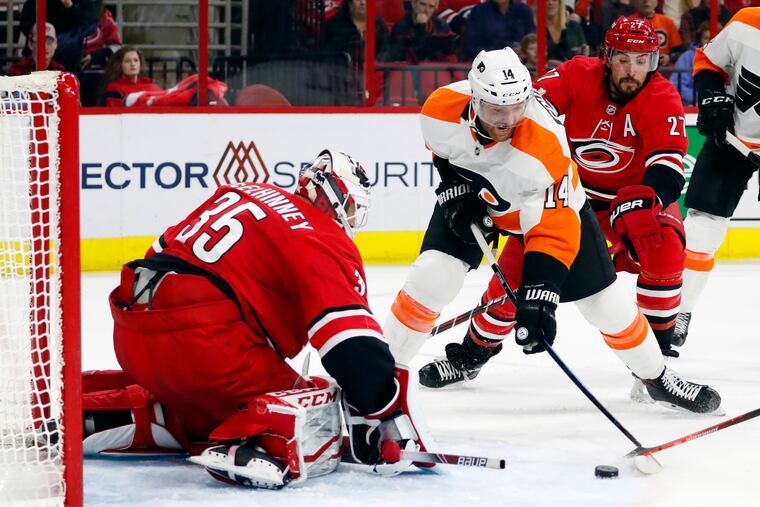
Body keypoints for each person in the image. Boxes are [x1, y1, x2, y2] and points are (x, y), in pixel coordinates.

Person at [384, 47, 721, 415]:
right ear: (474, 98)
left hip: (550, 215)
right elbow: (444, 151)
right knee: (433, 277)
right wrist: (452, 187)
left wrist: (541, 295)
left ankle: (656, 377)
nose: (508, 120)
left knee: (607, 308)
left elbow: (553, 231)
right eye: (497, 109)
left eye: (518, 107)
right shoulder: (439, 107)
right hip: (476, 199)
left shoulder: (543, 150)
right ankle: (380, 372)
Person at [85, 150, 430, 489]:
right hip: (206, 348)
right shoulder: (323, 235)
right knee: (310, 405)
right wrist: (383, 405)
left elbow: (159, 254)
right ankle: (258, 445)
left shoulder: (242, 191)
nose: (352, 219)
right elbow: (350, 345)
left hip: (132, 332)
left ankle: (132, 416)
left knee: (206, 401)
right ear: (335, 199)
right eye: (352, 207)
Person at [673, 7, 760, 348]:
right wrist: (711, 94)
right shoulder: (747, 22)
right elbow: (709, 62)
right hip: (733, 139)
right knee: (701, 229)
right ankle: (677, 311)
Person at [322, 0, 390, 65]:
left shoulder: (378, 24)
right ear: (350, 3)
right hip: (344, 73)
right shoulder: (335, 25)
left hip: (374, 73)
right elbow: (330, 57)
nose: (363, 2)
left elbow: (386, 50)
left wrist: (376, 64)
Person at [463, 0, 536, 59]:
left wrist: (523, 50)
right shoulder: (479, 11)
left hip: (521, 63)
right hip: (489, 63)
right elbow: (470, 46)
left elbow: (532, 40)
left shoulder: (523, 10)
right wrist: (500, 53)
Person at [389, 0, 457, 63]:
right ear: (413, 4)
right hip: (410, 73)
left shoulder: (442, 26)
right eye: (423, 4)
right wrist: (421, 28)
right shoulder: (401, 27)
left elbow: (450, 56)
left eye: (431, 7)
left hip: (437, 73)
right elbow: (413, 57)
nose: (426, 10)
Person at [670, 21, 714, 105]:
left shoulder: (726, 57)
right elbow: (677, 85)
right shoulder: (687, 57)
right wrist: (701, 98)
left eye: (712, 39)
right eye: (706, 38)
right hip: (692, 106)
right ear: (700, 40)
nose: (709, 42)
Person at [632, 0, 683, 66]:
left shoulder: (667, 22)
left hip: (663, 68)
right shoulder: (627, 22)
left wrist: (669, 57)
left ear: (657, 1)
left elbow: (678, 51)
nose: (646, 1)